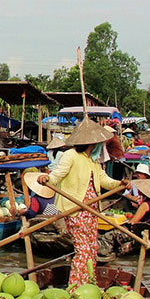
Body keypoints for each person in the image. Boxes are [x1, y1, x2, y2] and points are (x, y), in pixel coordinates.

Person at [37, 120, 127, 290]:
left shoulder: (93, 161)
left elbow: (105, 181)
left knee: (92, 249)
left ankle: (88, 285)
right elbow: (57, 175)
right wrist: (46, 179)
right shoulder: (71, 155)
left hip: (92, 211)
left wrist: (120, 184)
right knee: (83, 250)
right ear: (92, 143)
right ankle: (75, 288)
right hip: (76, 210)